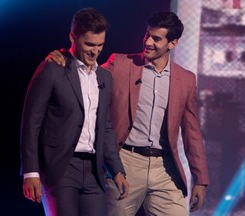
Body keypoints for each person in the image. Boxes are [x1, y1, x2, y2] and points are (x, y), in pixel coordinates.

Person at [46, 10, 209, 216]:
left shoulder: (186, 79)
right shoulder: (121, 64)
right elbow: (85, 71)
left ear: (172, 43)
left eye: (156, 38)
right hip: (126, 162)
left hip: (165, 168)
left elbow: (192, 132)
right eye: (146, 35)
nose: (148, 41)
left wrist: (200, 179)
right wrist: (64, 55)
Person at [20, 7, 129, 216]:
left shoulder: (104, 77)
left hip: (93, 171)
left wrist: (117, 169)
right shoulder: (53, 69)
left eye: (100, 45)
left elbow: (105, 127)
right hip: (60, 167)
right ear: (73, 37)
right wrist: (30, 172)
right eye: (89, 44)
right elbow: (31, 123)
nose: (94, 51)